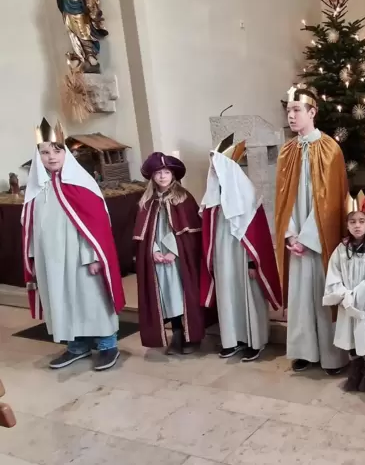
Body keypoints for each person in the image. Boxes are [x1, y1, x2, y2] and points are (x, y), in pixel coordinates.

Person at [21, 119, 124, 371]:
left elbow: (95, 225)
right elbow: (31, 229)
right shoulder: (37, 190)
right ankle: (76, 346)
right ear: (38, 157)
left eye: (56, 150)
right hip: (51, 260)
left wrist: (93, 257)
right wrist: (34, 258)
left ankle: (107, 344)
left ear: (66, 152)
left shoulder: (81, 185)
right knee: (62, 300)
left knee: (91, 299)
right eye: (45, 152)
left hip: (80, 258)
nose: (51, 156)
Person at [275, 87, 350, 374]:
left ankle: (333, 356)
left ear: (312, 112)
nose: (291, 116)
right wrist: (291, 234)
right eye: (289, 110)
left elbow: (333, 201)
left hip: (321, 239)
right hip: (297, 239)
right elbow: (284, 200)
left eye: (297, 110)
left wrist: (309, 237)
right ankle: (304, 350)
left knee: (323, 294)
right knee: (300, 297)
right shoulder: (287, 151)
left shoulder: (331, 149)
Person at [200, 134, 282, 361]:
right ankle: (231, 340)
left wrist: (251, 263)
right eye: (212, 168)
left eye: (218, 168)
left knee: (249, 297)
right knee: (227, 297)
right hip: (222, 259)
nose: (214, 173)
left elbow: (257, 238)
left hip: (243, 260)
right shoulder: (211, 199)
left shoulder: (246, 196)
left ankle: (255, 340)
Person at [134, 152, 204, 354]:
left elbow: (191, 231)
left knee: (183, 294)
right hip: (157, 258)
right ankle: (176, 333)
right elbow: (144, 233)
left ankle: (192, 336)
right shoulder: (147, 201)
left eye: (166, 172)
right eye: (158, 173)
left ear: (173, 174)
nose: (163, 176)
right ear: (152, 177)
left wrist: (174, 251)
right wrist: (154, 250)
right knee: (167, 297)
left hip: (179, 258)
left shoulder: (184, 198)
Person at [323, 192, 365, 392]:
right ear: (347, 225)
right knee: (351, 338)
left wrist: (356, 296)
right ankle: (354, 370)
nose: (357, 225)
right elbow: (333, 274)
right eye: (352, 222)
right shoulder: (342, 249)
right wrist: (343, 294)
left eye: (361, 221)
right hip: (346, 302)